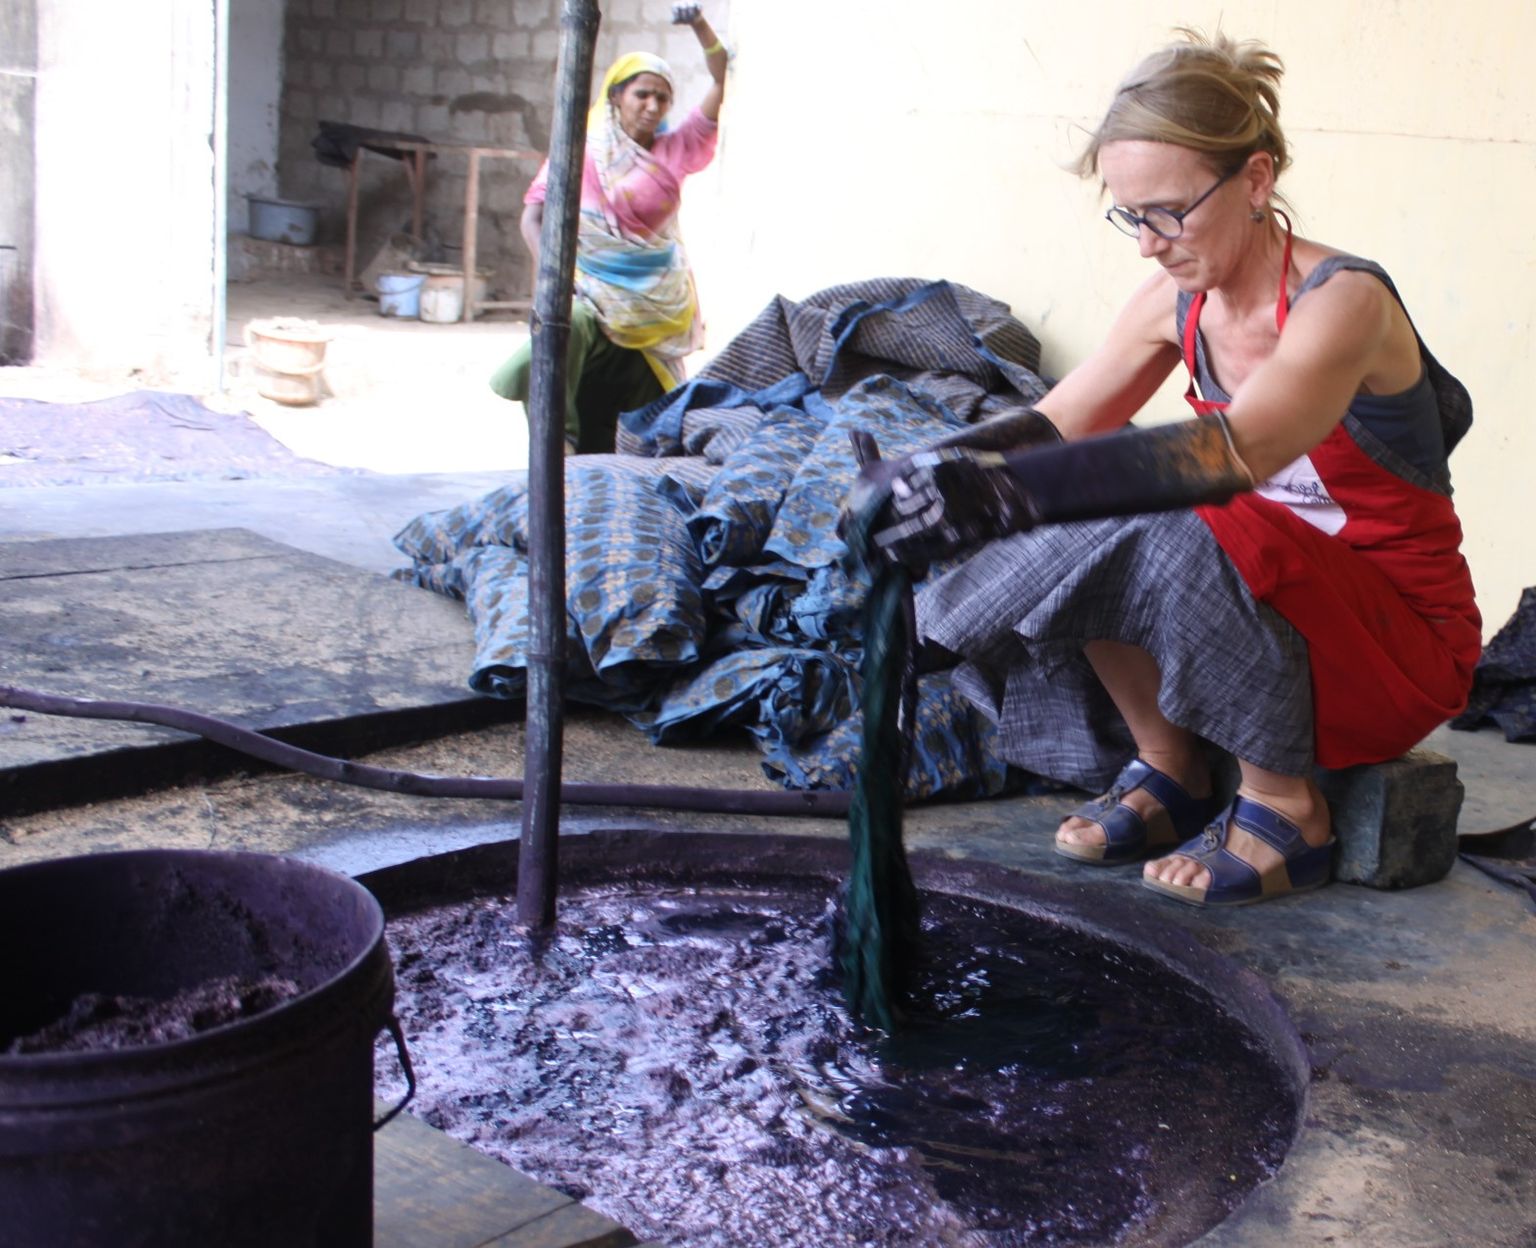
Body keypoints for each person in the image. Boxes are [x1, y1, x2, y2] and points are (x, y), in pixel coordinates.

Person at [852, 30, 1480, 907]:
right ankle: (1171, 764)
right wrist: (928, 470)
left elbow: (1238, 453)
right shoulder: (1175, 300)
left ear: (1256, 180)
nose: (1147, 244)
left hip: (1394, 649)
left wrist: (1005, 492)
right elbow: (1058, 423)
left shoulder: (1345, 303)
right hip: (1269, 618)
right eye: (1130, 214)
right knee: (1094, 494)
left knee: (1177, 504)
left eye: (1169, 212)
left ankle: (1283, 807)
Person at [491, 4, 727, 454]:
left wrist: (700, 25)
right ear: (616, 95)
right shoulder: (583, 152)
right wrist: (558, 281)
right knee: (550, 346)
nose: (652, 106)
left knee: (654, 434)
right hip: (593, 298)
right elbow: (533, 216)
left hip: (655, 314)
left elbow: (721, 78)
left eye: (662, 97)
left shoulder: (676, 148)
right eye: (642, 94)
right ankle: (558, 445)